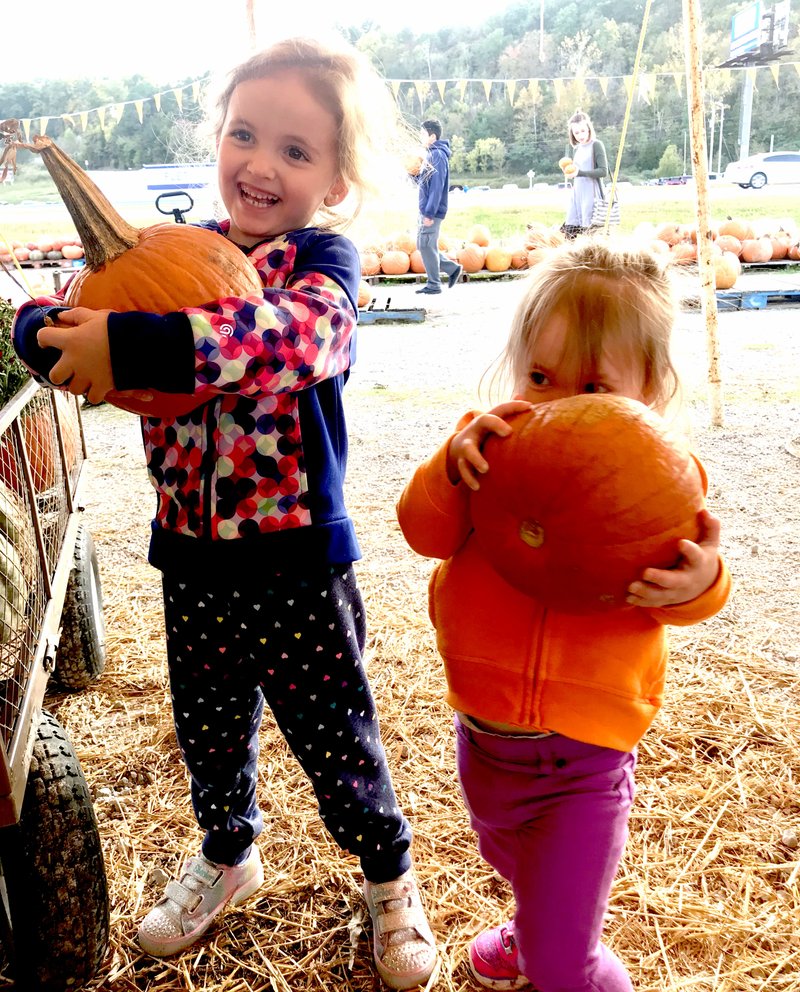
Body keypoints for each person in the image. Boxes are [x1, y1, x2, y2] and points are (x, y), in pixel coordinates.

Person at [12, 35, 437, 991]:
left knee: (336, 734)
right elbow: (71, 306)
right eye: (245, 135)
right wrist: (40, 330)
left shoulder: (322, 262)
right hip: (192, 556)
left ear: (335, 179)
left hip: (294, 556)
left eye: (296, 150)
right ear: (217, 141)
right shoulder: (176, 252)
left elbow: (288, 341)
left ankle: (387, 874)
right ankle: (228, 853)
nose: (262, 164)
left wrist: (137, 347)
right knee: (208, 727)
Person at [396, 237, 731, 992]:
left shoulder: (658, 481)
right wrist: (450, 468)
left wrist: (701, 584)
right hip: (484, 743)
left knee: (566, 959)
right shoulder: (484, 450)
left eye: (592, 387)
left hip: (582, 762)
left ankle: (550, 952)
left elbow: (699, 587)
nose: (556, 404)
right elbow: (423, 532)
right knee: (509, 858)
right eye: (539, 377)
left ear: (649, 393)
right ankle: (531, 930)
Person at [413, 119, 462, 295]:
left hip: (431, 211)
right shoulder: (430, 154)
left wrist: (429, 213)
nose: (420, 137)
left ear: (432, 136)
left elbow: (437, 186)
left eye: (423, 134)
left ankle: (434, 284)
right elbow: (425, 182)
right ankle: (451, 268)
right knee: (423, 245)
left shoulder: (438, 156)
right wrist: (413, 175)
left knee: (427, 244)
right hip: (425, 208)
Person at [561, 109, 609, 239]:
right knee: (570, 230)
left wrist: (579, 173)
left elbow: (603, 171)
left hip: (591, 193)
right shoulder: (577, 148)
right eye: (576, 132)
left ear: (589, 129)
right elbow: (576, 172)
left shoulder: (596, 145)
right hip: (577, 193)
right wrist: (570, 172)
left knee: (591, 234)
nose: (580, 135)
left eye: (583, 131)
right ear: (572, 134)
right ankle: (570, 258)